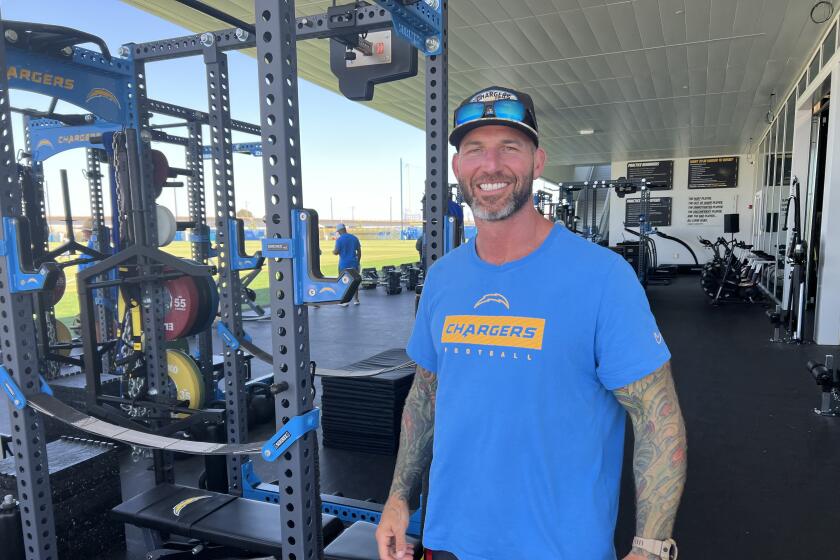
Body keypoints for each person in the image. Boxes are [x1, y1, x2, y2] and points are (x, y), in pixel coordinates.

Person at [375, 86, 687, 560]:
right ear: (458, 167)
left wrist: (650, 547)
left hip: (560, 548)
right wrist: (400, 497)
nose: (491, 164)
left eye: (510, 148)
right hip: (450, 541)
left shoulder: (603, 278)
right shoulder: (443, 278)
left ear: (537, 162)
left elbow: (657, 419)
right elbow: (426, 394)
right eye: (475, 150)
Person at [333, 223, 361, 306]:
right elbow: (359, 251)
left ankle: (344, 301)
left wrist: (333, 252)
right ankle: (356, 299)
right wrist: (358, 261)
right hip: (354, 263)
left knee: (343, 281)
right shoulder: (354, 238)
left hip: (343, 264)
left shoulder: (339, 240)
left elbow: (336, 252)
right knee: (355, 281)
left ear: (339, 231)